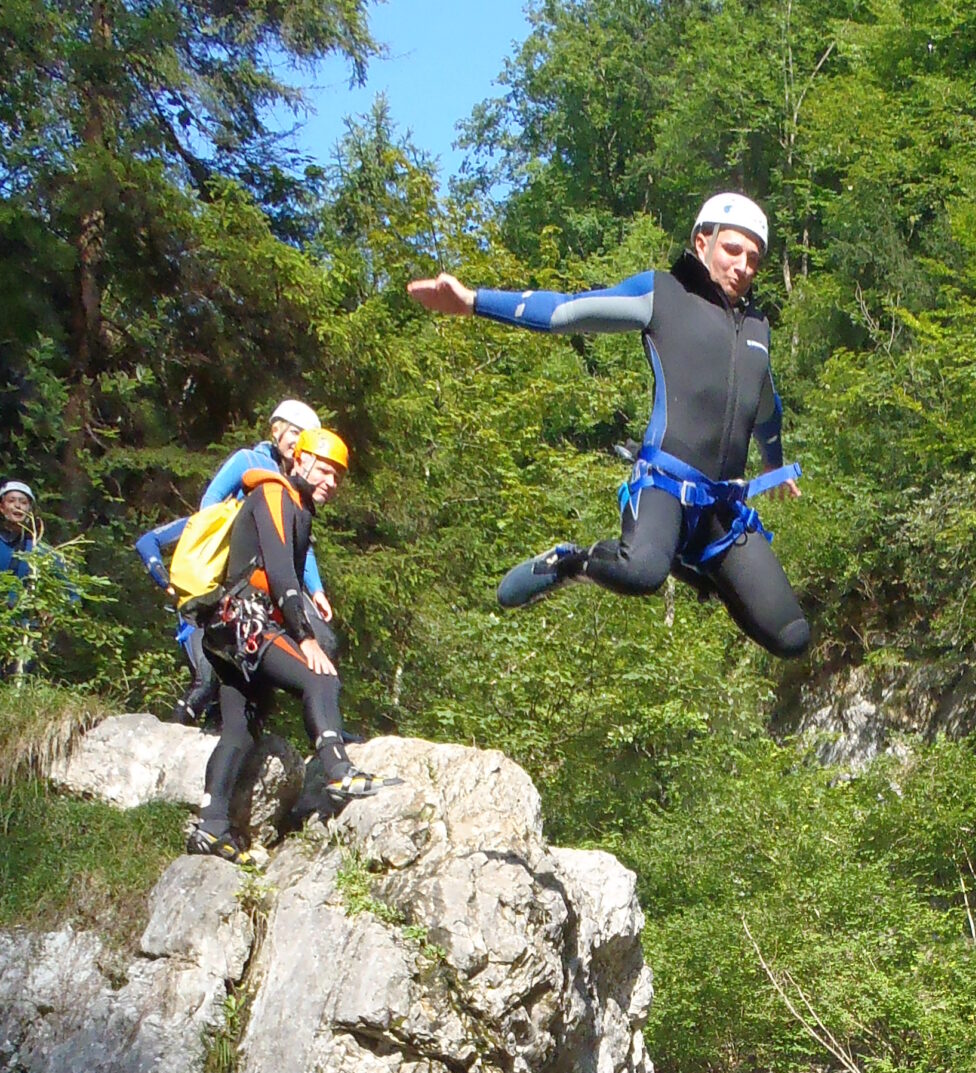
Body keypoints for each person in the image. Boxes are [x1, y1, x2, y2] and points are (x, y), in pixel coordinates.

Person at [406, 192, 811, 659]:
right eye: (732, 250)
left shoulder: (758, 328)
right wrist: (474, 302)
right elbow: (566, 311)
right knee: (640, 572)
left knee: (792, 637)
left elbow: (766, 407)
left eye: (754, 259)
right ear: (702, 243)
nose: (743, 266)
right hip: (665, 485)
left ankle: (691, 565)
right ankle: (569, 562)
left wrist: (774, 463)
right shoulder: (663, 294)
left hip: (723, 509)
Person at [187, 426, 367, 861]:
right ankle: (338, 768)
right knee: (320, 677)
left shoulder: (291, 504)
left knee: (240, 731)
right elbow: (283, 578)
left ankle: (211, 826)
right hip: (247, 624)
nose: (331, 481)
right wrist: (305, 639)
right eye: (324, 470)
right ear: (299, 460)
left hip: (229, 631)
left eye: (338, 476)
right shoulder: (274, 494)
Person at [200, 398, 336, 629]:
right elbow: (210, 503)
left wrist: (316, 590)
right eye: (294, 432)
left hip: (270, 579)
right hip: (236, 571)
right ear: (276, 431)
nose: (298, 441)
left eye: (305, 437)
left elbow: (300, 541)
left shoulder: (296, 483)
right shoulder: (248, 460)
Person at [133, 513, 220, 723]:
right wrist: (165, 581)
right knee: (205, 681)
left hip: (230, 616)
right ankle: (172, 731)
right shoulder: (206, 519)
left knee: (228, 694)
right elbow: (146, 543)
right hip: (195, 615)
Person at [0, 480, 42, 582]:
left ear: (29, 510)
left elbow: (69, 587)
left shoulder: (38, 550)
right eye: (11, 501)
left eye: (23, 502)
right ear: (1, 507)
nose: (18, 506)